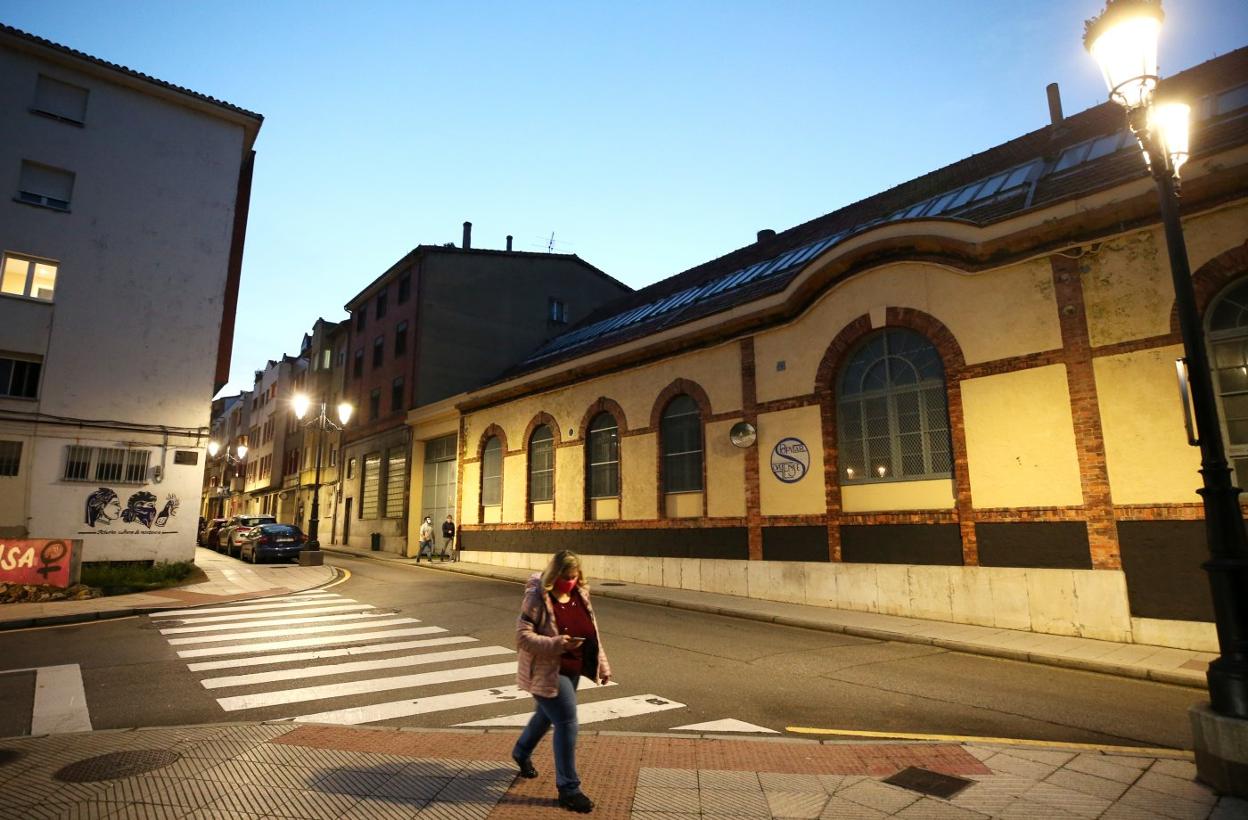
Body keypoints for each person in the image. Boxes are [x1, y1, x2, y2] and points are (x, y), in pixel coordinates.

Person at [513, 550, 610, 813]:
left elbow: (593, 632)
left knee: (546, 717)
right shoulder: (537, 596)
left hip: (573, 668)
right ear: (554, 575)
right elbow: (522, 636)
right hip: (545, 670)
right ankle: (569, 788)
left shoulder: (581, 594)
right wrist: (555, 643)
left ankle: (521, 752)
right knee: (567, 722)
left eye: (574, 576)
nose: (570, 581)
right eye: (565, 577)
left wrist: (602, 664)